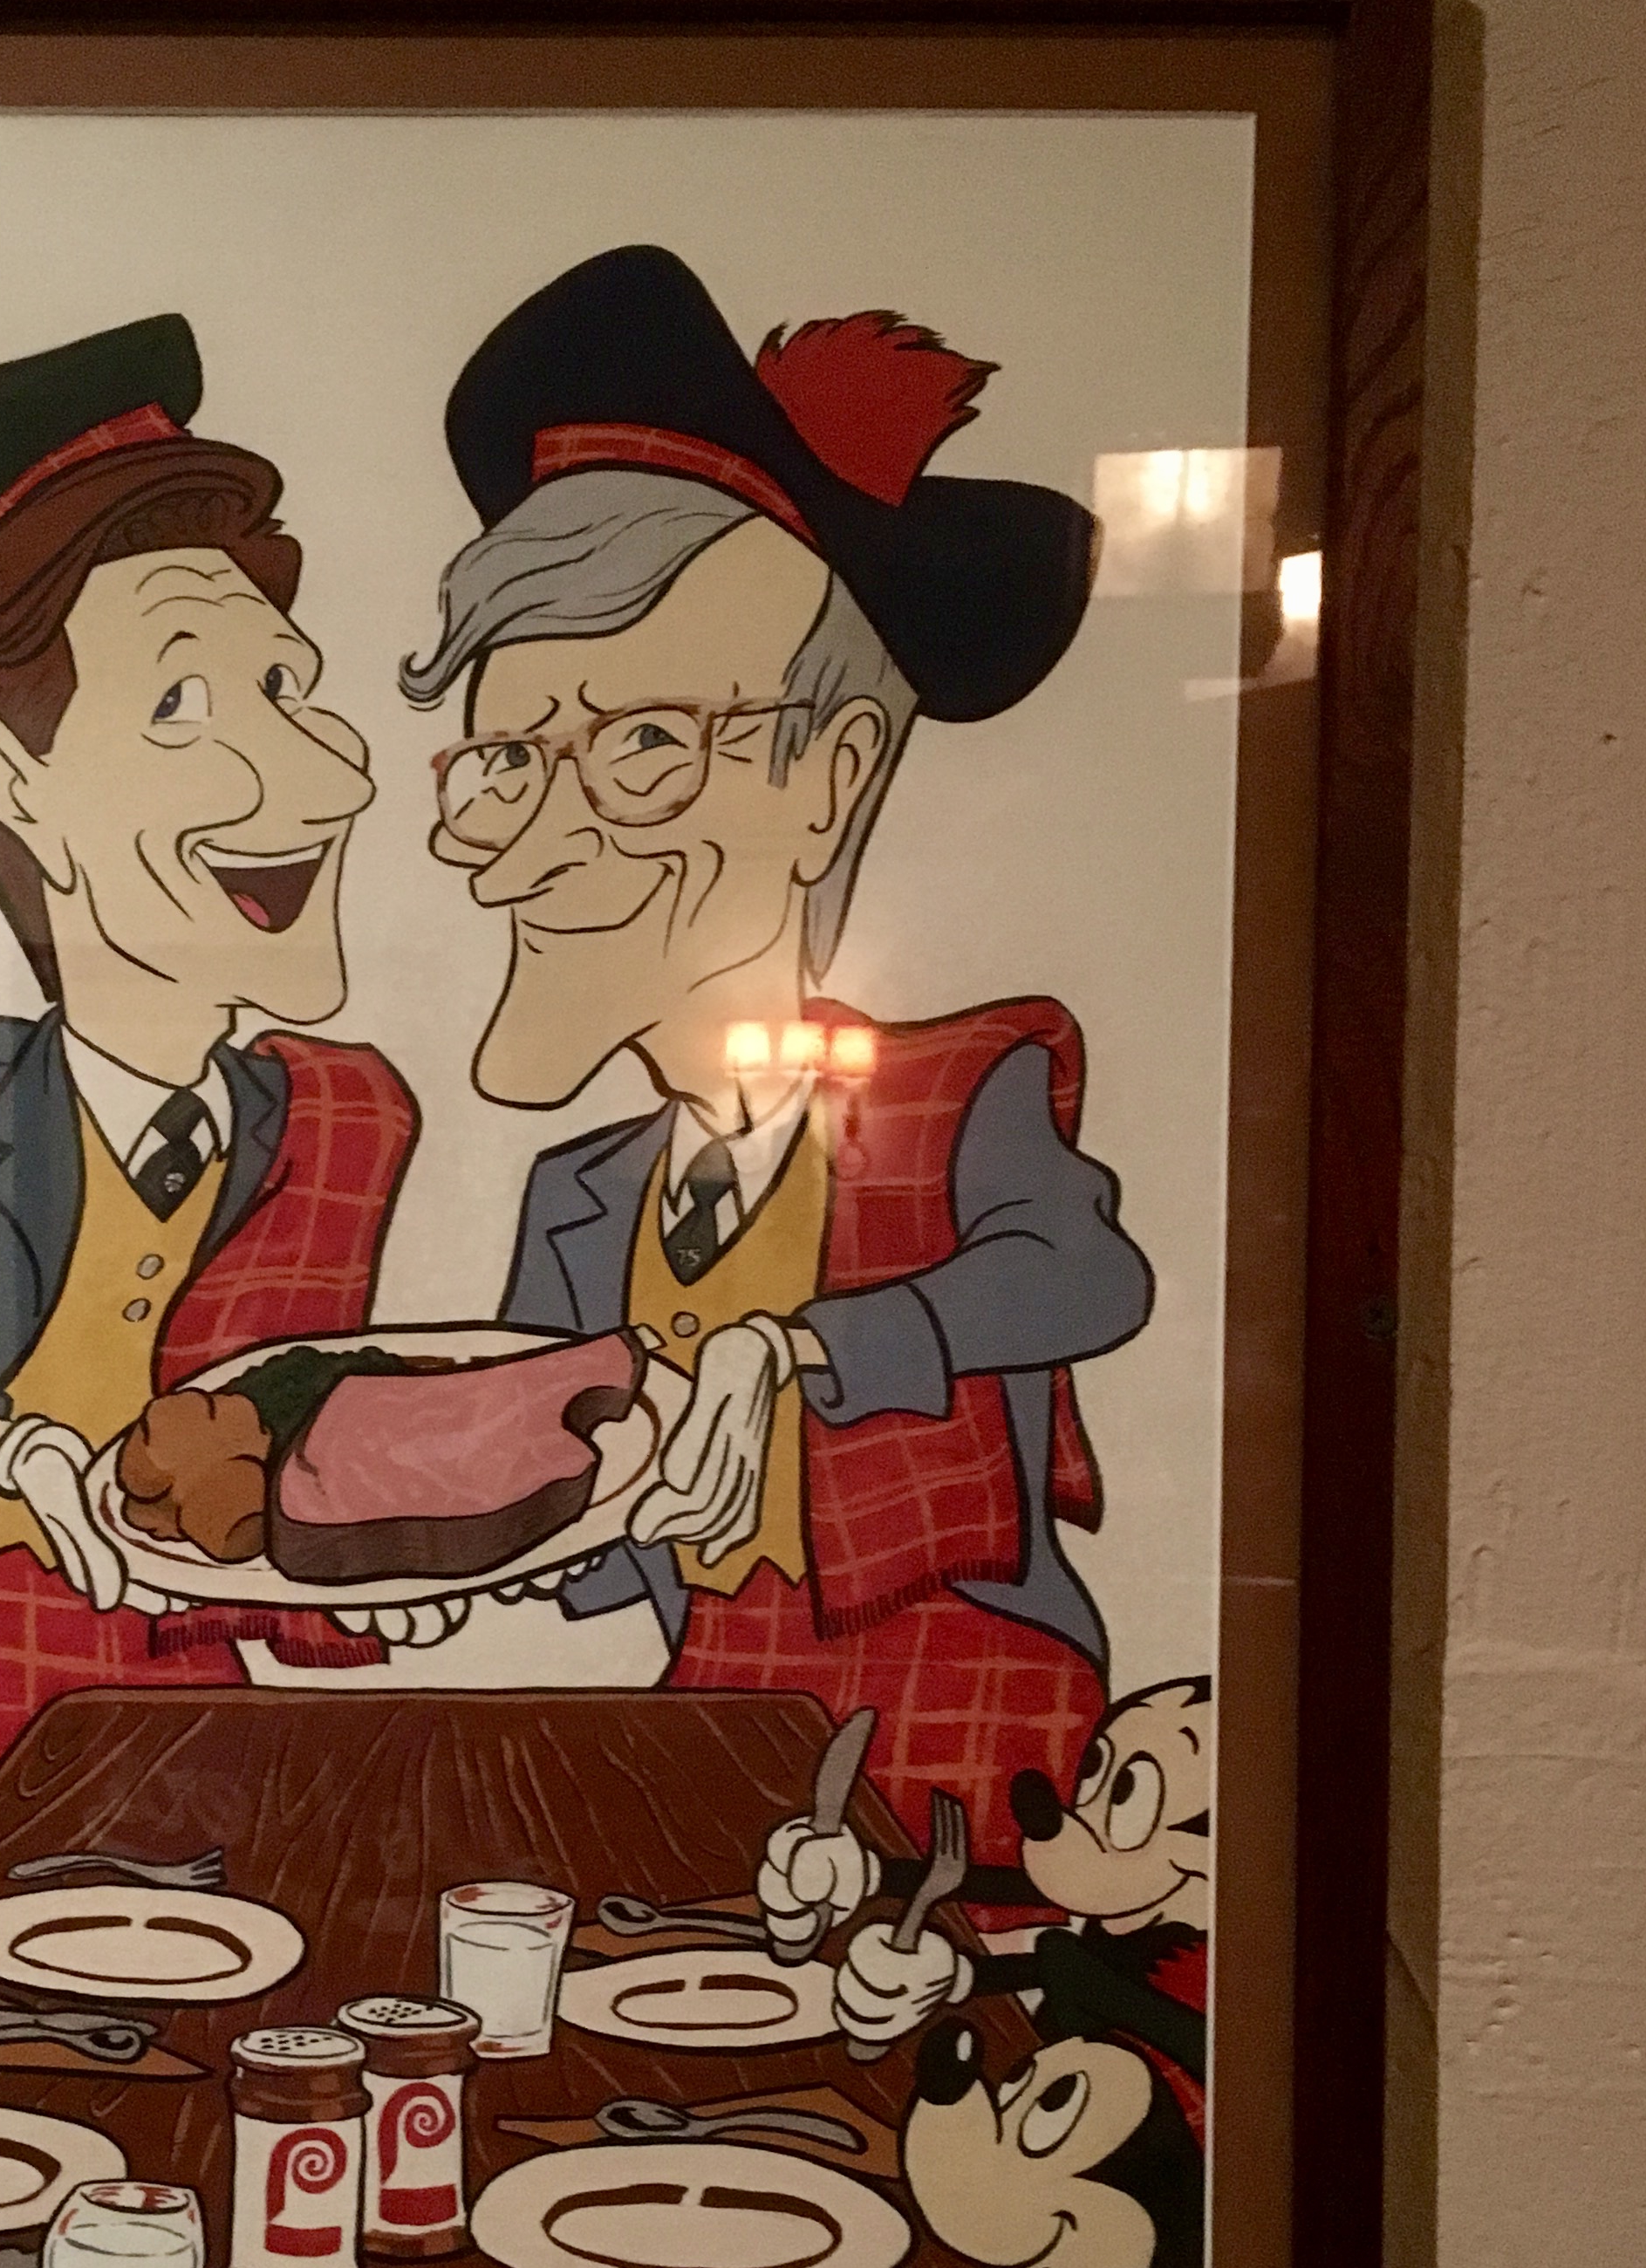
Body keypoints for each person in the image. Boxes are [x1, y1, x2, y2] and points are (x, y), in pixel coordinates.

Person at [403, 244, 1151, 1841]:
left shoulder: (958, 1095)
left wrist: (796, 1350)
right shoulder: (580, 1197)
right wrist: (444, 1557)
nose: (526, 840)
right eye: (506, 760)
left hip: (978, 1738)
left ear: (829, 776)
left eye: (643, 745)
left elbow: (1086, 1279)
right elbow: (577, 1511)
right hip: (715, 1744)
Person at [0, 301, 414, 1874]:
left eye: (291, 688)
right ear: (11, 780)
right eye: (184, 705)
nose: (333, 772)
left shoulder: (331, 1120)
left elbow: (309, 1401)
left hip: (198, 1618)